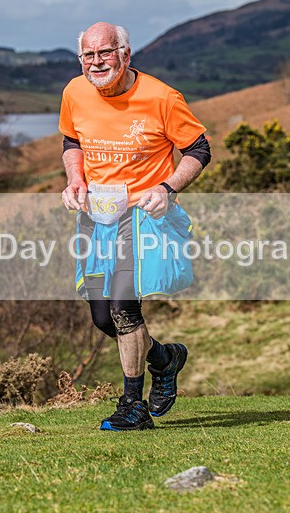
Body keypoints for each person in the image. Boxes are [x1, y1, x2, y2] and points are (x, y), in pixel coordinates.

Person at [59, 22, 211, 431]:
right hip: (94, 217)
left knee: (125, 307)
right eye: (88, 55)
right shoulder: (74, 92)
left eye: (105, 53)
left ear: (126, 54)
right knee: (103, 317)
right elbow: (71, 141)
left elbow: (199, 148)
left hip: (142, 215)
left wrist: (168, 187)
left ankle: (133, 407)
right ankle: (164, 359)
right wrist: (75, 179)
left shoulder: (162, 97)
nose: (97, 62)